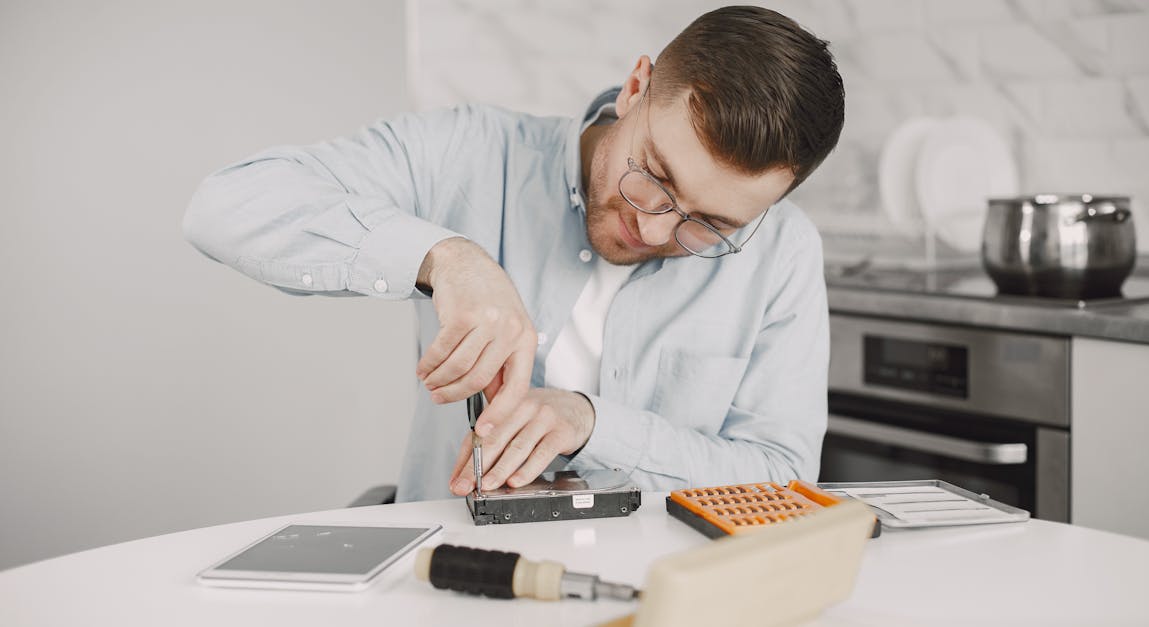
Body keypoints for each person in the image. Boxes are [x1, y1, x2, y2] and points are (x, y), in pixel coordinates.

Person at [183, 6, 844, 502]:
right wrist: (447, 257)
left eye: (708, 224)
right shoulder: (469, 154)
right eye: (654, 177)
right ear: (635, 87)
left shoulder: (782, 253)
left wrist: (592, 424)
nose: (652, 227)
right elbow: (226, 204)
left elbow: (781, 478)